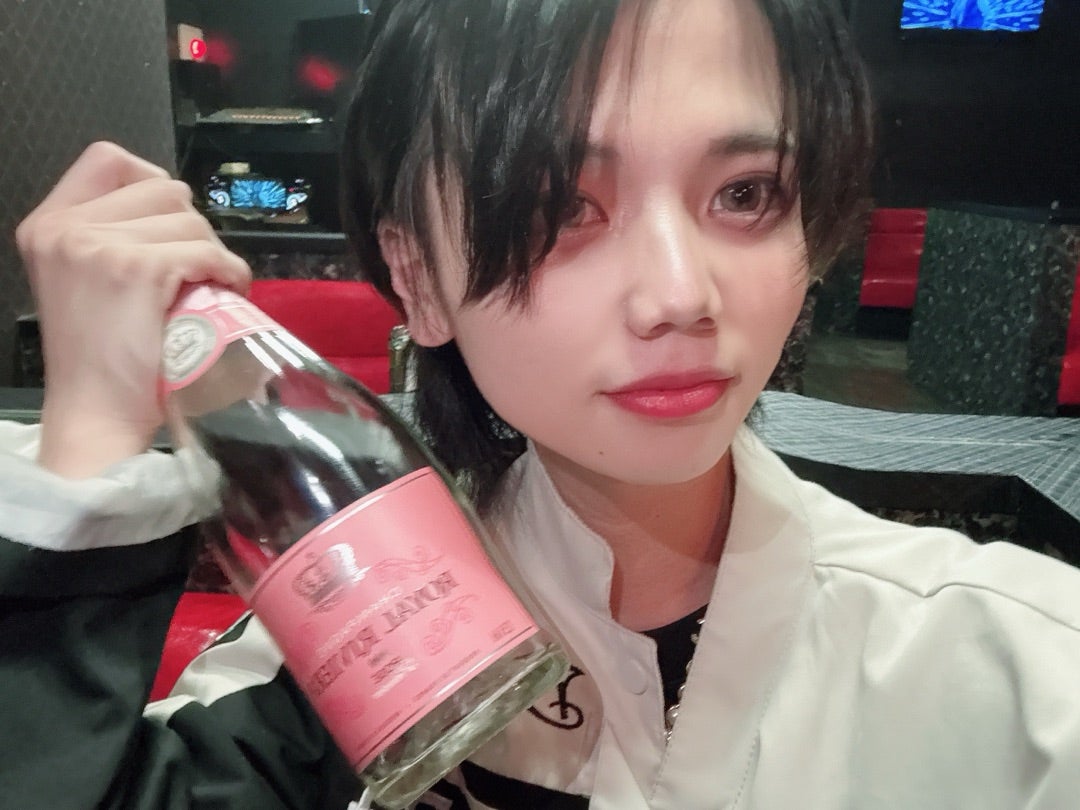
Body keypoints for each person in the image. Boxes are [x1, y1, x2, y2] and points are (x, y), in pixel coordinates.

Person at [2, 0, 1079, 808]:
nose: (680, 295)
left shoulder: (1020, 673)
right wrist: (91, 435)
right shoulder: (342, 652)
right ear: (415, 275)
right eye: (563, 206)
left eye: (745, 194)